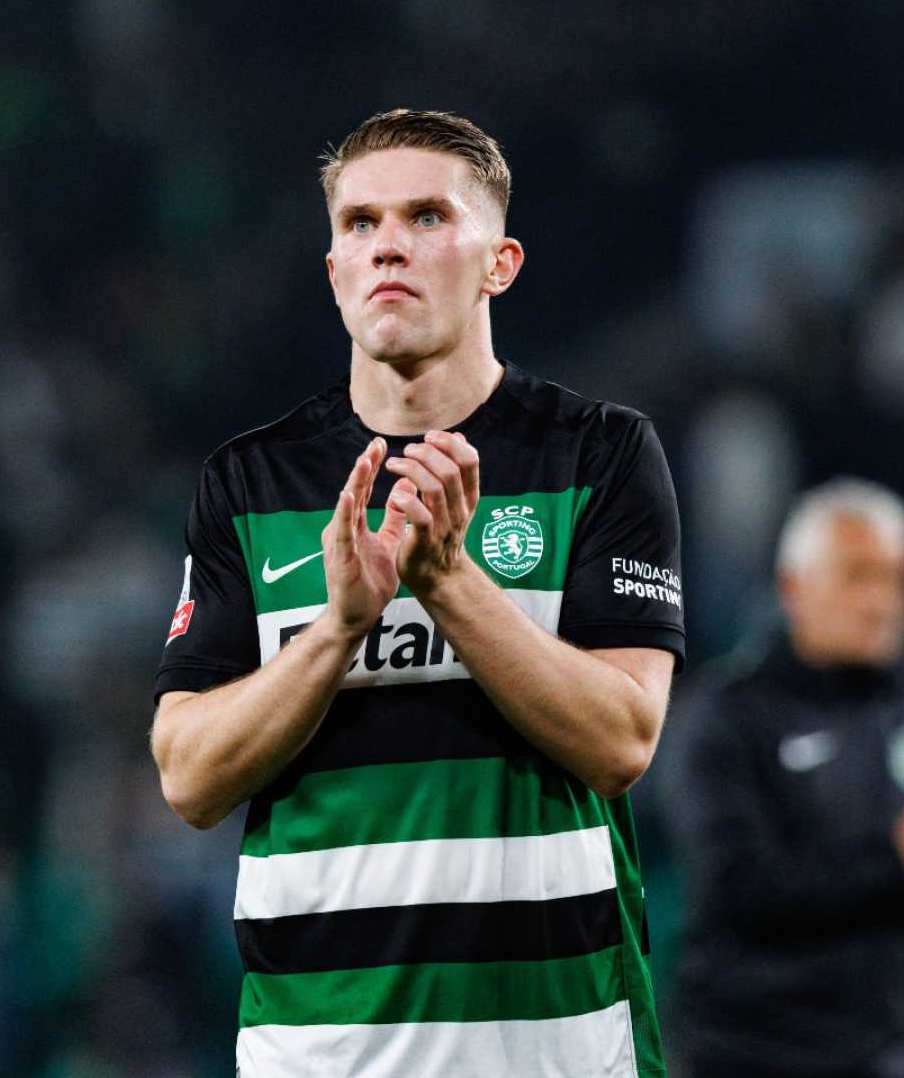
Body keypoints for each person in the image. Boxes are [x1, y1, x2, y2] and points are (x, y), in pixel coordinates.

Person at [150, 110, 685, 1077]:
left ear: (499, 265)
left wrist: (449, 583)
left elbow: (622, 742)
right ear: (334, 274)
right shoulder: (250, 481)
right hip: (318, 1050)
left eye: (428, 216)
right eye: (360, 223)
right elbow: (189, 779)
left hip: (557, 1048)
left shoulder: (599, 453)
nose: (387, 245)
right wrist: (337, 631)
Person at [663, 478, 904, 1078]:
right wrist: (902, 855)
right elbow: (736, 893)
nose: (882, 602)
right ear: (793, 586)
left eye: (898, 579)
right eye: (858, 576)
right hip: (758, 1055)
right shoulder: (727, 718)